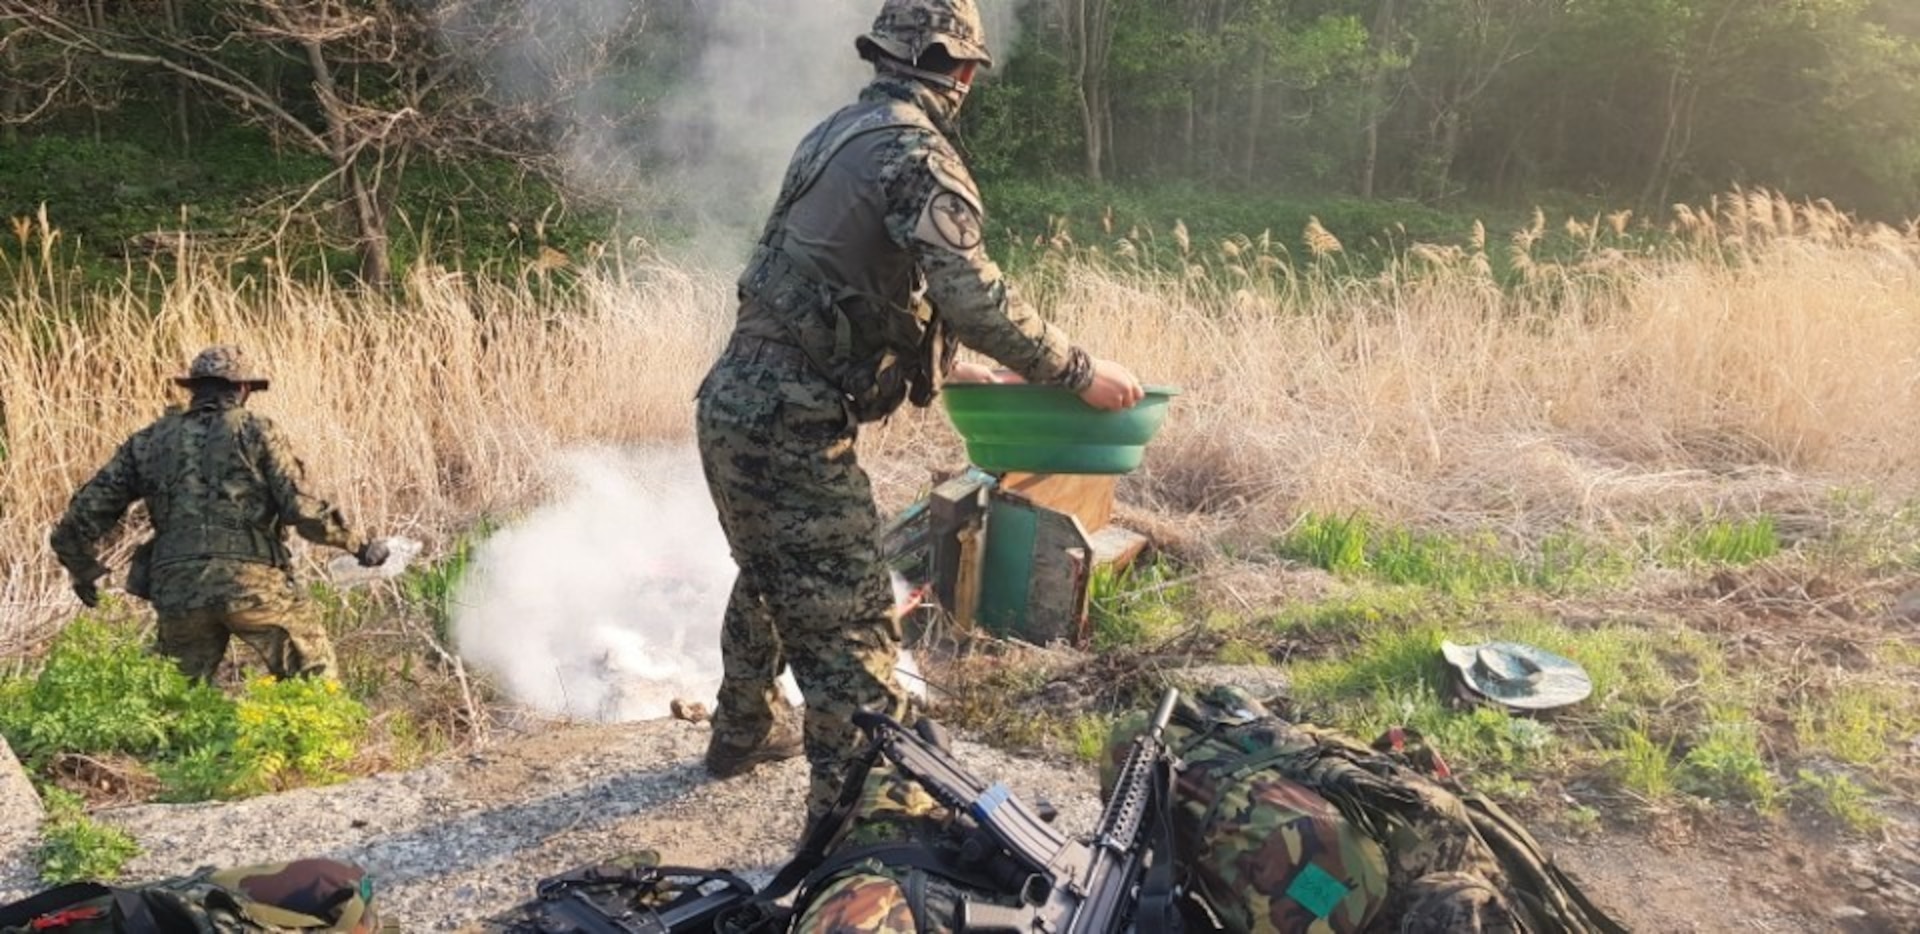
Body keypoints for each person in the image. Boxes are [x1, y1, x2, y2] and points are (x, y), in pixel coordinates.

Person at [693, 0, 1146, 833]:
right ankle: (857, 837)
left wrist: (942, 365)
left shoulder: (837, 135)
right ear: (961, 70)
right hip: (791, 424)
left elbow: (834, 281)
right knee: (855, 633)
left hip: (732, 406)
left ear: (885, 56)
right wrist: (1078, 370)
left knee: (772, 571)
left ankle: (741, 733)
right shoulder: (919, 154)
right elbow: (971, 294)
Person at [49, 345, 387, 682]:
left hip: (180, 589)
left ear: (194, 390)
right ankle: (311, 733)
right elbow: (299, 506)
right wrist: (358, 545)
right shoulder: (255, 429)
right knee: (313, 676)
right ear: (242, 389)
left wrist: (81, 567)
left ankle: (174, 735)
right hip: (253, 583)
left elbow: (85, 512)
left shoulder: (148, 442)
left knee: (176, 698)